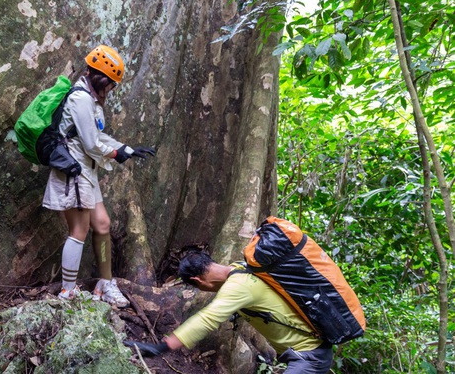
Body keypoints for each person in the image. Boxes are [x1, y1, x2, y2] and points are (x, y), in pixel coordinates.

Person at [43, 45, 156, 307]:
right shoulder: (80, 99)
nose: (112, 90)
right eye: (111, 84)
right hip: (73, 173)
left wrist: (126, 148)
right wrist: (116, 154)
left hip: (87, 174)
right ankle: (68, 293)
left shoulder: (91, 100)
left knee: (102, 224)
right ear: (101, 79)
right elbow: (91, 143)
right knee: (78, 230)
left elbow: (96, 136)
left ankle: (105, 284)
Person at [125, 251, 333, 373]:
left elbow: (206, 319)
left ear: (197, 281)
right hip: (303, 353)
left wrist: (160, 348)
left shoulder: (237, 286)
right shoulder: (241, 267)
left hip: (310, 356)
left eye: (198, 288)